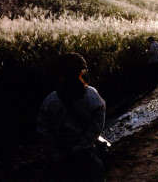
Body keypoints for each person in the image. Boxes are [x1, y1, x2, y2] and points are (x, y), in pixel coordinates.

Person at [36, 52, 106, 182]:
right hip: (87, 157)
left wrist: (55, 153)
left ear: (61, 74)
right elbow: (98, 125)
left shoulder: (51, 100)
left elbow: (43, 131)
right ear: (81, 72)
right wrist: (82, 146)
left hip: (62, 159)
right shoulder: (92, 95)